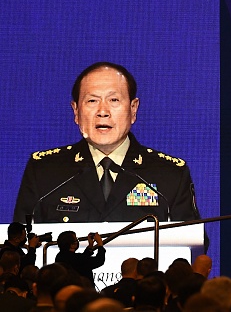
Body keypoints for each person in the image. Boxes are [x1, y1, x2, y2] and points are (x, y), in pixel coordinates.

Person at [13, 62, 204, 230]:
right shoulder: (44, 171)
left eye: (114, 100)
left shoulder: (170, 174)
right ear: (76, 111)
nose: (103, 111)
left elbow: (192, 247)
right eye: (92, 101)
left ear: (133, 109)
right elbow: (18, 244)